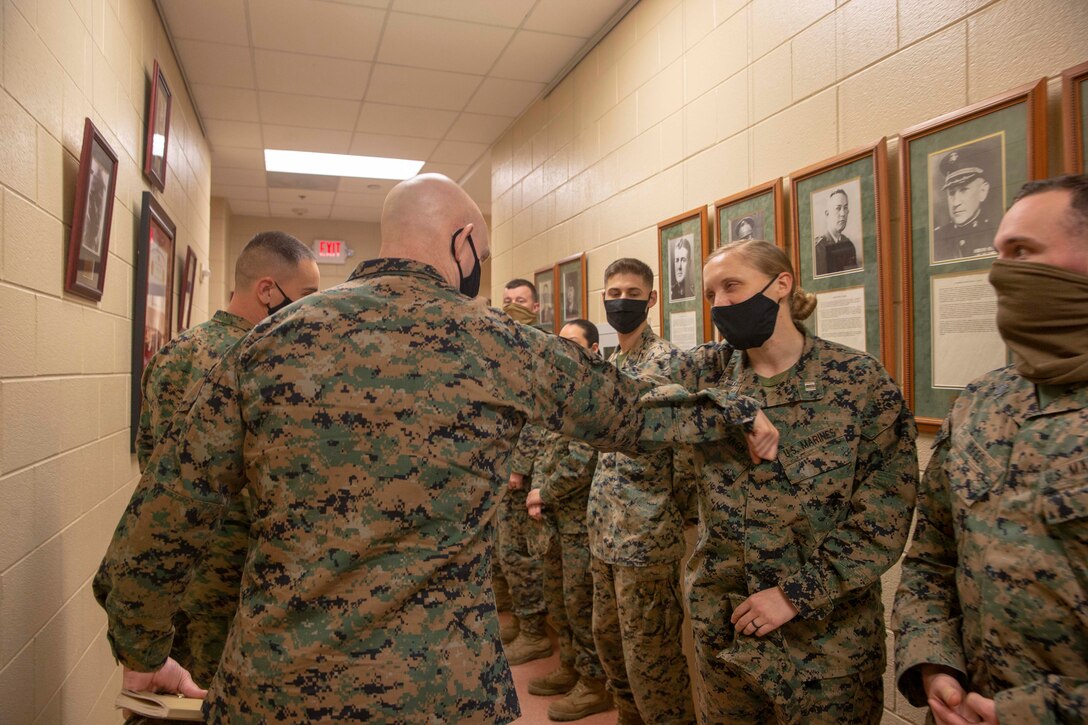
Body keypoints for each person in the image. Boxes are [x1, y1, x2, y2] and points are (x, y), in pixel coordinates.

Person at [94, 174, 778, 724]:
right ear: (465, 241)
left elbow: (164, 515)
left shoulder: (269, 343)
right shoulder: (503, 346)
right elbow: (630, 416)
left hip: (279, 685)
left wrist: (143, 645)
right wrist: (735, 416)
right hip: (442, 689)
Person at [664, 239, 917, 723]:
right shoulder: (706, 374)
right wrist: (731, 406)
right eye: (711, 293)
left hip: (826, 650)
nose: (720, 304)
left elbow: (885, 516)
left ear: (781, 284)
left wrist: (795, 594)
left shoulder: (857, 381)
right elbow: (623, 396)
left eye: (732, 286)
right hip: (726, 635)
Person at [893, 174, 1088, 725]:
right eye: (998, 254)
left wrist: (1033, 714)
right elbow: (932, 558)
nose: (1000, 274)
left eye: (1023, 251)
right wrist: (934, 663)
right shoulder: (982, 401)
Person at [111, 231, 320, 697]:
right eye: (305, 297)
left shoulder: (175, 353)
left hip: (178, 572)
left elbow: (153, 462)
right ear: (268, 290)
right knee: (212, 696)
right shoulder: (262, 362)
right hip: (228, 575)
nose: (308, 311)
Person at [588, 258, 698, 725]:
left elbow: (688, 454)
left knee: (651, 662)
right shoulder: (612, 362)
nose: (622, 302)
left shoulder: (667, 361)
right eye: (614, 294)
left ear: (652, 299)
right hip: (604, 535)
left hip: (646, 540)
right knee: (610, 647)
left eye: (633, 294)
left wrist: (676, 515)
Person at [525, 319, 613, 721]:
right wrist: (538, 491)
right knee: (559, 601)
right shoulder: (560, 393)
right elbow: (544, 449)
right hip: (553, 520)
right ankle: (571, 667)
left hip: (579, 522)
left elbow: (581, 461)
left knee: (581, 604)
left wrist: (545, 491)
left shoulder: (594, 396)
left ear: (593, 350)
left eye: (572, 344)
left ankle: (594, 684)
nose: (562, 352)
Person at [496, 278, 552, 664]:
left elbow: (538, 416)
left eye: (520, 301)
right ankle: (515, 618)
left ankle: (534, 632)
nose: (512, 306)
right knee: (504, 553)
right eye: (506, 300)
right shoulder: (503, 345)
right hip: (500, 466)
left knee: (521, 554)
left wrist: (518, 467)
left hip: (526, 473)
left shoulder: (540, 350)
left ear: (536, 308)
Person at [933, 146, 998, 261]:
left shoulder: (996, 233)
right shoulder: (937, 238)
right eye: (952, 193)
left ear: (983, 191)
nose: (956, 202)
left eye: (963, 190)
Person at [814, 188, 859, 275]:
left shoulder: (848, 245)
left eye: (845, 208)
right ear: (827, 214)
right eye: (838, 208)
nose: (843, 213)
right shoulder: (818, 248)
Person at [670, 236, 695, 301]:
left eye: (683, 260)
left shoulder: (695, 293)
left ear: (689, 263)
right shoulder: (670, 294)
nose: (679, 267)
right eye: (677, 260)